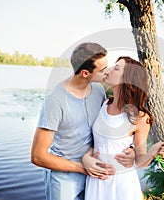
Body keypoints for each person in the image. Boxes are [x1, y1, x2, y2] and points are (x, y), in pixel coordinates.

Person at [31, 43, 135, 200]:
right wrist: (83, 167)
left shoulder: (99, 90)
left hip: (94, 177)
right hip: (64, 180)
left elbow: (110, 127)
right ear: (86, 73)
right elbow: (38, 156)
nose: (107, 71)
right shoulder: (55, 100)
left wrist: (132, 148)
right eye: (102, 70)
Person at [84, 56, 164, 200]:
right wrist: (86, 158)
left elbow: (140, 161)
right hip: (97, 181)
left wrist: (152, 153)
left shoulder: (140, 118)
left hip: (121, 183)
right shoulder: (103, 104)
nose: (109, 69)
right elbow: (97, 142)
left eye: (116, 68)